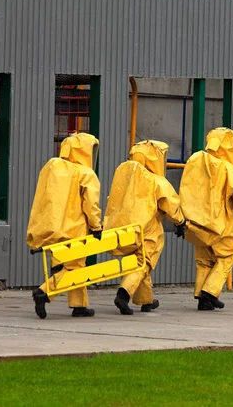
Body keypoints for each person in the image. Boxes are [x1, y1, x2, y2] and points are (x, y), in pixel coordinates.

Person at [27, 132, 102, 319]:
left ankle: (79, 305)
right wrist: (96, 227)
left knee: (68, 267)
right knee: (74, 268)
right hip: (75, 229)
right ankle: (44, 292)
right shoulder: (85, 173)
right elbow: (90, 204)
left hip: (53, 228)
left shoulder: (52, 167)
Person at [105, 140, 185, 315]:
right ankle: (123, 294)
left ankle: (146, 301)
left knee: (140, 263)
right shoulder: (156, 181)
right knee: (144, 263)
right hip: (147, 231)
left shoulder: (126, 178)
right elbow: (170, 206)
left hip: (124, 229)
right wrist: (181, 222)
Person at [179, 128, 233, 311]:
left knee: (204, 259)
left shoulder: (195, 160)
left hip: (195, 221)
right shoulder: (227, 167)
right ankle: (210, 292)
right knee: (229, 254)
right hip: (221, 221)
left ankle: (202, 297)